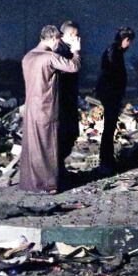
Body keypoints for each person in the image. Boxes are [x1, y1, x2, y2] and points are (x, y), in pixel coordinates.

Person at [19, 24, 81, 193]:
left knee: (33, 147)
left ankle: (30, 183)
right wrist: (76, 51)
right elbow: (74, 67)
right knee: (47, 148)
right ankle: (48, 185)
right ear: (53, 38)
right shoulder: (49, 57)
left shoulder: (28, 57)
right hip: (46, 107)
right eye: (58, 40)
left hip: (31, 108)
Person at [95, 26, 134, 173]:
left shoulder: (114, 51)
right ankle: (106, 161)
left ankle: (107, 160)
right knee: (109, 127)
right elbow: (112, 74)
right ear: (125, 39)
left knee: (109, 127)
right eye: (129, 41)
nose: (129, 45)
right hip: (111, 94)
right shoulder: (115, 52)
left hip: (110, 93)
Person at [55, 20, 81, 174]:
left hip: (68, 98)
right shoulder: (60, 50)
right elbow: (71, 69)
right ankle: (58, 169)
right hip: (62, 100)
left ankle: (60, 167)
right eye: (76, 36)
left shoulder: (67, 49)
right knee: (65, 134)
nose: (78, 39)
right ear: (70, 35)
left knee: (70, 133)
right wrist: (76, 52)